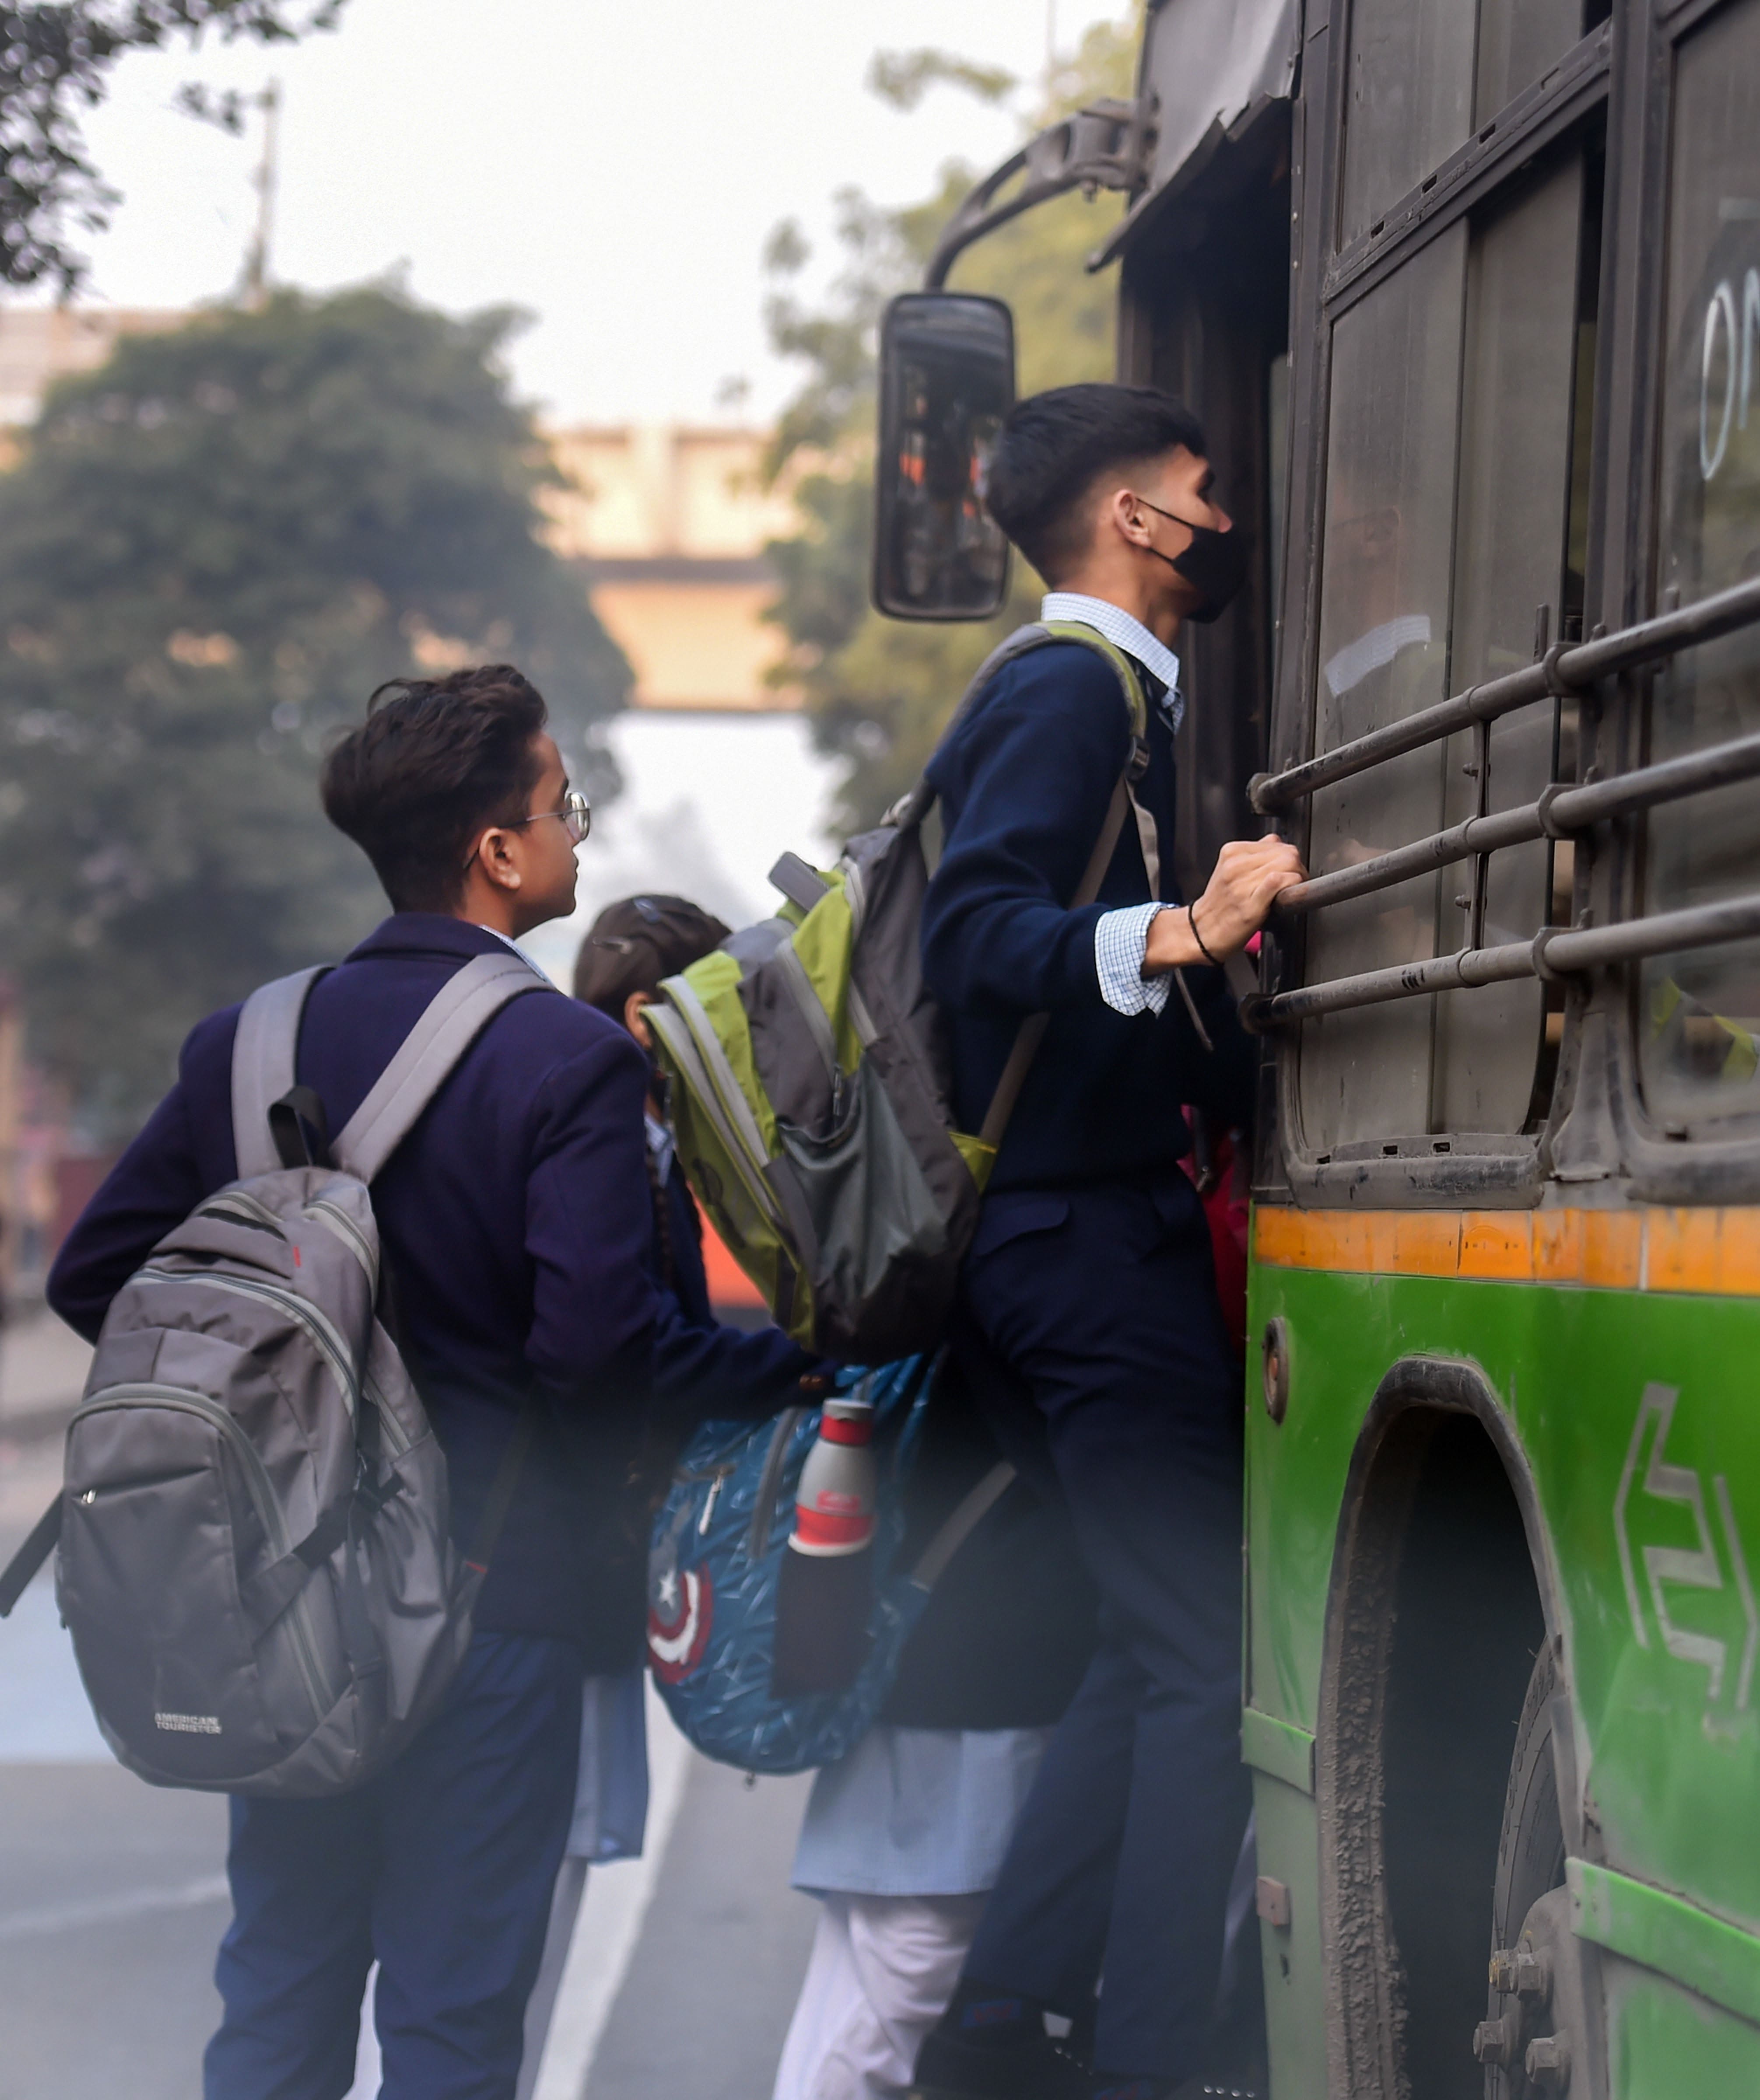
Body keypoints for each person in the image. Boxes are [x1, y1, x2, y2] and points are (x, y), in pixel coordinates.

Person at [48, 664, 660, 2100]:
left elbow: (99, 1282)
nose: (578, 827)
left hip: (283, 1600)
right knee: (451, 2020)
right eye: (563, 804)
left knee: (279, 1989)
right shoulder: (567, 1061)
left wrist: (278, 1394)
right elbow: (590, 1356)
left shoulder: (246, 1042)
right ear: (497, 853)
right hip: (489, 1603)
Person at [908, 385, 1304, 2100]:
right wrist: (1188, 925)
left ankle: (1001, 2025)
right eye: (1204, 495)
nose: (1224, 521)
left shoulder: (1098, 696)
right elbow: (979, 930)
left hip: (1051, 1243)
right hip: (1079, 1244)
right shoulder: (1069, 687)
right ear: (1139, 520)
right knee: (1207, 1660)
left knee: (1140, 1645)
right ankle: (1144, 2061)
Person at [517, 894, 830, 2092]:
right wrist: (791, 1366)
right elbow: (631, 1348)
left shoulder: (633, 1131)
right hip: (560, 1556)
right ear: (650, 1015)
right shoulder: (606, 1132)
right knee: (517, 1904)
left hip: (560, 1558)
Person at [772, 1352, 1099, 2100]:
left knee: (866, 1968)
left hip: (915, 1631)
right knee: (909, 1961)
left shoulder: (924, 1251)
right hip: (981, 1666)